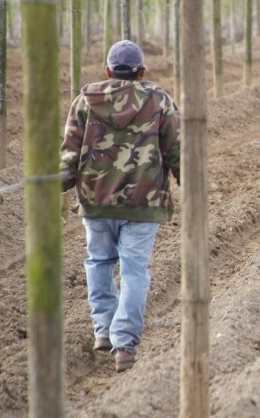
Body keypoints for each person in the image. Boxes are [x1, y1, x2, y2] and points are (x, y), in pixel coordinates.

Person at [60, 40, 181, 372]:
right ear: (141, 72)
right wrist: (191, 183)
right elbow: (176, 149)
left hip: (95, 201)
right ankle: (124, 343)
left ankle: (103, 330)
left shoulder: (85, 102)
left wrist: (61, 181)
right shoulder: (159, 100)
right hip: (144, 203)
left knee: (98, 262)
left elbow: (69, 153)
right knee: (134, 271)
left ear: (108, 71)